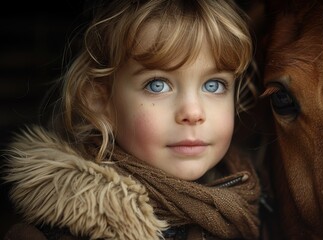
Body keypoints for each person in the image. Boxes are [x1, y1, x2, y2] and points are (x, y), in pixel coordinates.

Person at [2, 0, 261, 239]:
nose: (193, 113)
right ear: (100, 102)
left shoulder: (256, 204)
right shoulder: (57, 232)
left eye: (214, 85)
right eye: (158, 85)